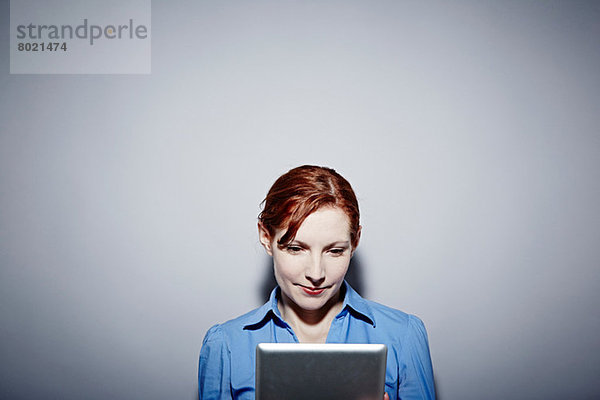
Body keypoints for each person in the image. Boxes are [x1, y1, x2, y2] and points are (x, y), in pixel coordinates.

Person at [198, 165, 436, 400]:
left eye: (334, 251)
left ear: (355, 242)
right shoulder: (226, 345)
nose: (316, 273)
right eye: (295, 248)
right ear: (265, 237)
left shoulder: (403, 335)